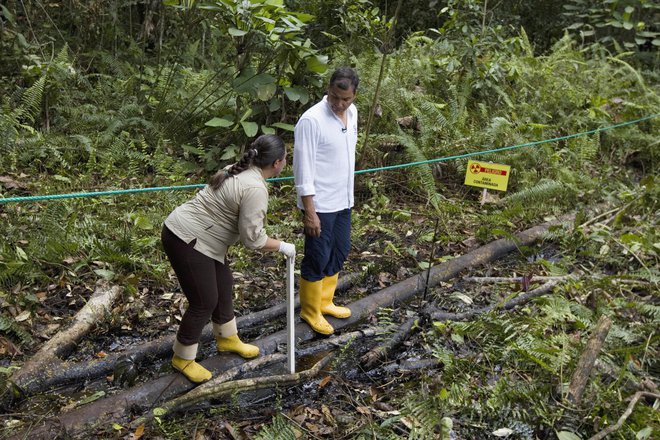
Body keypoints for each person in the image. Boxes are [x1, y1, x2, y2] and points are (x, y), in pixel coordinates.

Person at [161, 134, 296, 383]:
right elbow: (252, 240)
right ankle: (183, 357)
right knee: (204, 301)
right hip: (186, 239)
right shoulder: (254, 188)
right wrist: (283, 246)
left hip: (202, 239)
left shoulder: (237, 169)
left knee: (223, 285)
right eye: (286, 157)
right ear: (278, 163)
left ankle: (226, 338)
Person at [293, 67, 359, 335]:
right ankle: (310, 311)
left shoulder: (352, 114)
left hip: (343, 199)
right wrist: (310, 212)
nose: (339, 104)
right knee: (317, 256)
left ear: (354, 96)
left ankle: (325, 301)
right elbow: (303, 168)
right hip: (319, 204)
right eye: (335, 97)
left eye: (346, 99)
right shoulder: (311, 120)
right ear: (328, 89)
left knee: (340, 250)